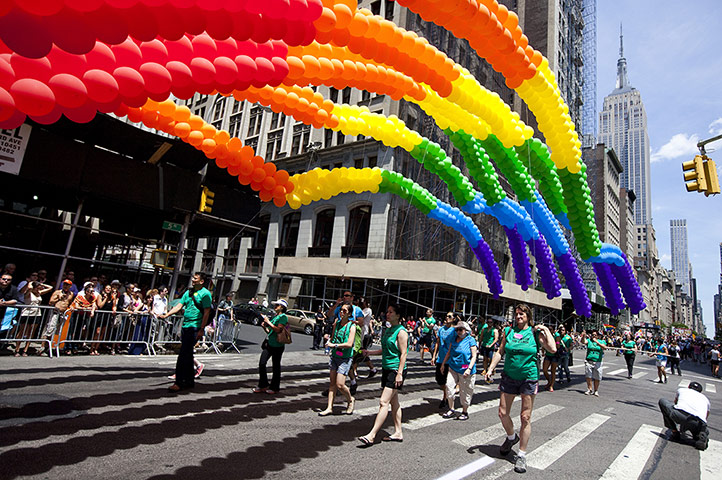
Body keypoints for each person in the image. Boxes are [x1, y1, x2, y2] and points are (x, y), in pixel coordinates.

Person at [484, 304, 556, 474]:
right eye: (516, 314)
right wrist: (490, 368)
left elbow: (552, 348)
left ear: (528, 316)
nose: (518, 316)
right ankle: (511, 437)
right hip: (509, 376)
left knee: (525, 417)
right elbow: (501, 351)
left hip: (528, 378)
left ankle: (522, 455)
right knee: (502, 413)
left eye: (522, 314)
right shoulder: (508, 332)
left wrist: (545, 329)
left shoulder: (534, 333)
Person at [357, 303, 409, 446]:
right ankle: (398, 432)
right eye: (387, 311)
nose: (387, 314)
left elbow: (404, 354)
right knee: (394, 402)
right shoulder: (388, 330)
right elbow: (385, 350)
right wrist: (370, 352)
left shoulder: (401, 332)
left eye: (391, 312)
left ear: (398, 315)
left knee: (383, 402)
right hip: (387, 368)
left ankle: (372, 435)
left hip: (396, 370)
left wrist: (399, 374)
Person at [160, 272, 212, 392]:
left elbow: (206, 312)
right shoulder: (188, 292)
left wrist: (201, 329)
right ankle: (189, 381)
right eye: (193, 278)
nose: (193, 280)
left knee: (183, 354)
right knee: (188, 354)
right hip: (186, 325)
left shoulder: (205, 294)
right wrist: (167, 314)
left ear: (201, 281)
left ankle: (179, 382)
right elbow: (179, 305)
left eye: (195, 278)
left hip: (194, 327)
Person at [318, 302, 356, 415]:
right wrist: (329, 340)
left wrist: (334, 345)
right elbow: (334, 338)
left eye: (344, 311)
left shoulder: (352, 326)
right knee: (332, 383)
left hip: (345, 358)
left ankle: (350, 400)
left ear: (349, 314)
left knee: (340, 384)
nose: (341, 312)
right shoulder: (337, 324)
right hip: (335, 356)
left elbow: (349, 344)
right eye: (341, 310)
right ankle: (329, 407)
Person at [441, 321, 478, 421]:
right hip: (453, 367)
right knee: (448, 386)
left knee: (465, 391)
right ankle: (451, 409)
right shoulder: (454, 339)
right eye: (457, 329)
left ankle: (464, 411)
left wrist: (469, 369)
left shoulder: (470, 340)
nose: (458, 331)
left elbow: (474, 356)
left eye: (460, 329)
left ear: (466, 330)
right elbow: (449, 352)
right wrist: (443, 364)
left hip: (466, 370)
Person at [659, 381, 709, 450]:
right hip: (698, 421)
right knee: (704, 429)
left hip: (680, 415)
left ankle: (674, 432)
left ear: (688, 387)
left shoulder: (681, 390)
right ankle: (700, 435)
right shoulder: (705, 399)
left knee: (662, 401)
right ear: (700, 392)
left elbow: (676, 403)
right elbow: (706, 416)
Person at [254, 299, 290, 395]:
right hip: (269, 343)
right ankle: (263, 384)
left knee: (276, 366)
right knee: (262, 363)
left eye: (277, 305)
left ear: (282, 307)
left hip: (278, 345)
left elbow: (278, 330)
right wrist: (264, 327)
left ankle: (274, 387)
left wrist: (268, 322)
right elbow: (270, 332)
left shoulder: (283, 317)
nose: (275, 307)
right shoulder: (275, 316)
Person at [15, 281, 53, 356]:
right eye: (37, 288)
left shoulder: (39, 293)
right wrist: (31, 282)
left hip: (36, 314)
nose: (39, 289)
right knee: (22, 331)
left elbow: (50, 288)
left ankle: (25, 350)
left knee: (31, 332)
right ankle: (17, 349)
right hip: (26, 314)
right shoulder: (28, 293)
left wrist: (41, 284)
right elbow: (30, 287)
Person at [432, 312, 456, 409]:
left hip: (450, 359)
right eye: (446, 316)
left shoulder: (454, 331)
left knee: (447, 381)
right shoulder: (441, 329)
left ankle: (445, 399)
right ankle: (446, 394)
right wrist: (434, 356)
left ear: (454, 319)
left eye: (449, 316)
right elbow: (437, 343)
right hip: (440, 358)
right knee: (439, 380)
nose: (447, 318)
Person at [580, 330, 607, 396]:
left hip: (597, 361)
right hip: (589, 360)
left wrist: (597, 342)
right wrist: (583, 336)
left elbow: (604, 347)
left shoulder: (602, 341)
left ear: (597, 336)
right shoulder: (589, 341)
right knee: (588, 375)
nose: (593, 336)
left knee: (597, 376)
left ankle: (596, 390)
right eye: (592, 335)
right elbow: (583, 342)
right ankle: (589, 389)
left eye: (595, 335)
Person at [541, 325, 561, 392]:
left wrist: (555, 342)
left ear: (553, 330)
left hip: (554, 355)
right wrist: (543, 351)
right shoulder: (545, 336)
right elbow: (543, 345)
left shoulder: (556, 335)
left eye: (550, 329)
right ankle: (549, 381)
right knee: (544, 370)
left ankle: (551, 385)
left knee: (553, 371)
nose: (549, 331)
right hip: (548, 355)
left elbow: (558, 345)